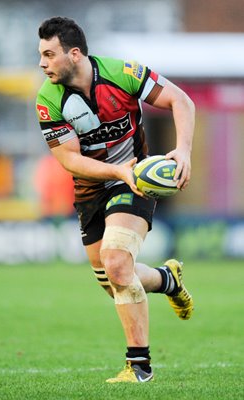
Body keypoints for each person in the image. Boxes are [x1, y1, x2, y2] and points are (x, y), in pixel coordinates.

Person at [36, 16, 195, 383]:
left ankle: (139, 366)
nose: (42, 64)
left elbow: (180, 100)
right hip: (92, 187)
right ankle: (167, 280)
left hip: (136, 179)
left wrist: (182, 151)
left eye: (49, 54)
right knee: (113, 278)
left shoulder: (123, 73)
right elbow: (69, 159)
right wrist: (117, 172)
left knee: (117, 261)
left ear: (74, 54)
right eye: (40, 55)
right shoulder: (48, 98)